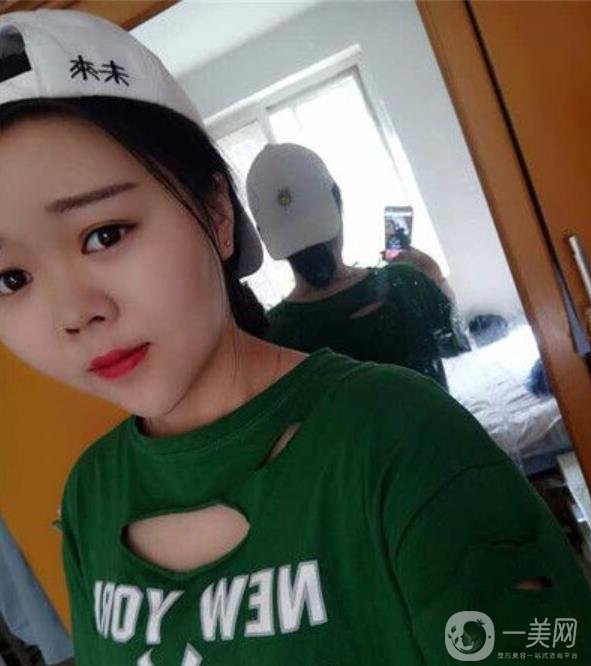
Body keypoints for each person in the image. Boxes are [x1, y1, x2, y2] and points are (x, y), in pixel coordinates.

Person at [0, 9, 589, 666]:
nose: (73, 313)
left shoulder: (401, 439)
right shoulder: (89, 495)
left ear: (217, 215)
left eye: (104, 235)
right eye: (9, 278)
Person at [246, 143, 469, 389]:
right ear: (338, 201)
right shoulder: (405, 282)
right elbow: (457, 341)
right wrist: (433, 275)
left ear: (263, 234)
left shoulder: (270, 340)